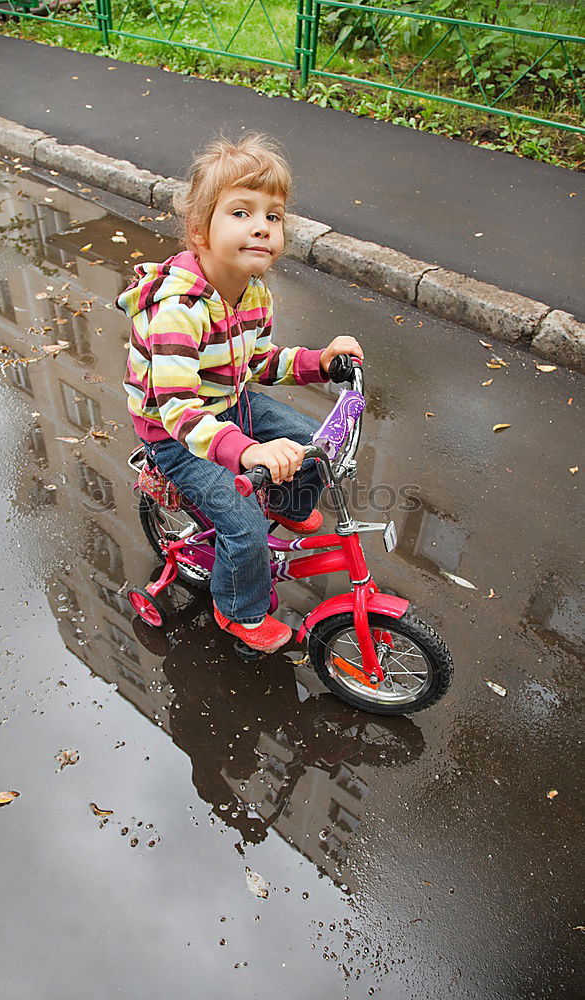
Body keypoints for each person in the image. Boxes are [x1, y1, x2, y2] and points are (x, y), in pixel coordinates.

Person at [119, 133, 363, 653]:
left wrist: (320, 362)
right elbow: (178, 408)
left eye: (273, 216)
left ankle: (288, 503)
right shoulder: (178, 311)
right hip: (176, 433)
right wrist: (248, 450)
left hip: (229, 401)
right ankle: (240, 611)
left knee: (315, 441)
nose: (262, 226)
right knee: (246, 526)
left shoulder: (253, 294)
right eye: (241, 212)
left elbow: (258, 363)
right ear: (199, 230)